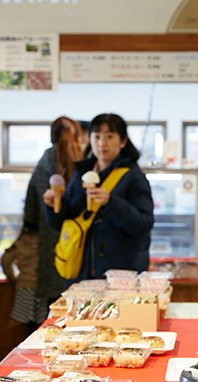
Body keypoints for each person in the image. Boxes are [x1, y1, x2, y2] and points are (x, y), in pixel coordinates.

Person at [43, 113, 154, 281]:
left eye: (109, 136)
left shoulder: (133, 177)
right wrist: (53, 206)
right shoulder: (81, 174)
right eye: (96, 136)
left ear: (123, 141)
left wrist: (111, 202)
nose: (102, 143)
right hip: (82, 272)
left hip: (121, 275)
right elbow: (62, 222)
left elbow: (143, 224)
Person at [22, 116, 83, 325]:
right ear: (79, 136)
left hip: (50, 248)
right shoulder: (84, 161)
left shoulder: (44, 163)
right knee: (79, 308)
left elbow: (30, 210)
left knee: (52, 309)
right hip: (79, 247)